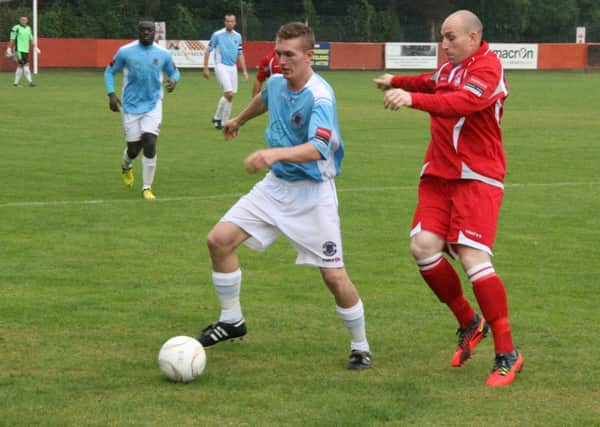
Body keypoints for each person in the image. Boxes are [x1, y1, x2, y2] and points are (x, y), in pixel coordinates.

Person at [196, 22, 372, 370]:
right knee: (218, 241)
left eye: (289, 55)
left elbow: (319, 148)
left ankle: (360, 345)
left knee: (333, 276)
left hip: (312, 195)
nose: (281, 61)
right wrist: (238, 120)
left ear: (309, 56)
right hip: (275, 188)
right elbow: (264, 98)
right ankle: (232, 321)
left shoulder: (319, 96)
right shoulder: (277, 81)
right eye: (278, 53)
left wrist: (272, 154)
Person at [374, 9, 523, 387]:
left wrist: (410, 98)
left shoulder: (488, 69)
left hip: (477, 176)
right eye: (442, 37)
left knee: (473, 257)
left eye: (451, 37)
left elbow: (460, 103)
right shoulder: (450, 69)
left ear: (473, 38)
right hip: (439, 175)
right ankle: (470, 322)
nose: (445, 44)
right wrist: (396, 80)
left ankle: (508, 352)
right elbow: (431, 82)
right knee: (423, 247)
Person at [104, 20, 180, 200]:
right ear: (138, 32)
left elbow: (174, 72)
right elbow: (109, 71)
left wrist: (174, 81)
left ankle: (147, 187)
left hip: (153, 103)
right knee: (133, 149)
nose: (146, 33)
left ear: (155, 33)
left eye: (150, 30)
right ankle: (126, 166)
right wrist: (111, 94)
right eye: (143, 30)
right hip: (130, 105)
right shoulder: (125, 51)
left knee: (150, 140)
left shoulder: (163, 54)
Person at [203, 14, 249, 130]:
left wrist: (244, 70)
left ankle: (217, 117)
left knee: (229, 95)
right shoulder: (217, 35)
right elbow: (208, 51)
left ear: (235, 23)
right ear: (225, 22)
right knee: (229, 94)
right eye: (228, 21)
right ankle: (225, 123)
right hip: (221, 66)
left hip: (232, 67)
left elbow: (240, 53)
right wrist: (206, 68)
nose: (230, 23)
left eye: (232, 21)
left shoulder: (238, 36)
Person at [8, 16, 36, 87]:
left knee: (20, 66)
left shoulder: (28, 28)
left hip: (26, 50)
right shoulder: (16, 28)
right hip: (19, 50)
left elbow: (31, 39)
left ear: (27, 21)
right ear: (20, 21)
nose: (24, 21)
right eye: (22, 20)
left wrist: (35, 47)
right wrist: (9, 48)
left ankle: (15, 83)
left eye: (25, 20)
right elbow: (12, 39)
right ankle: (30, 82)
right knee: (26, 65)